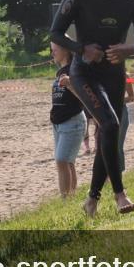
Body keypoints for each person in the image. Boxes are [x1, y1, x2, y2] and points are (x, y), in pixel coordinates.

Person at [50, 0, 134, 217]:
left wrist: (129, 50)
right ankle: (120, 194)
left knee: (108, 132)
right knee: (110, 123)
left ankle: (91, 201)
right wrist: (82, 49)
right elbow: (56, 33)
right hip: (84, 72)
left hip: (114, 73)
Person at [49, 43, 86, 198]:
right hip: (58, 123)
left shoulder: (74, 69)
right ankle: (71, 196)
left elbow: (85, 96)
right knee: (68, 162)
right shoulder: (60, 71)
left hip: (73, 121)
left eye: (55, 50)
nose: (52, 53)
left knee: (62, 160)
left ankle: (65, 199)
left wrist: (70, 84)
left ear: (65, 50)